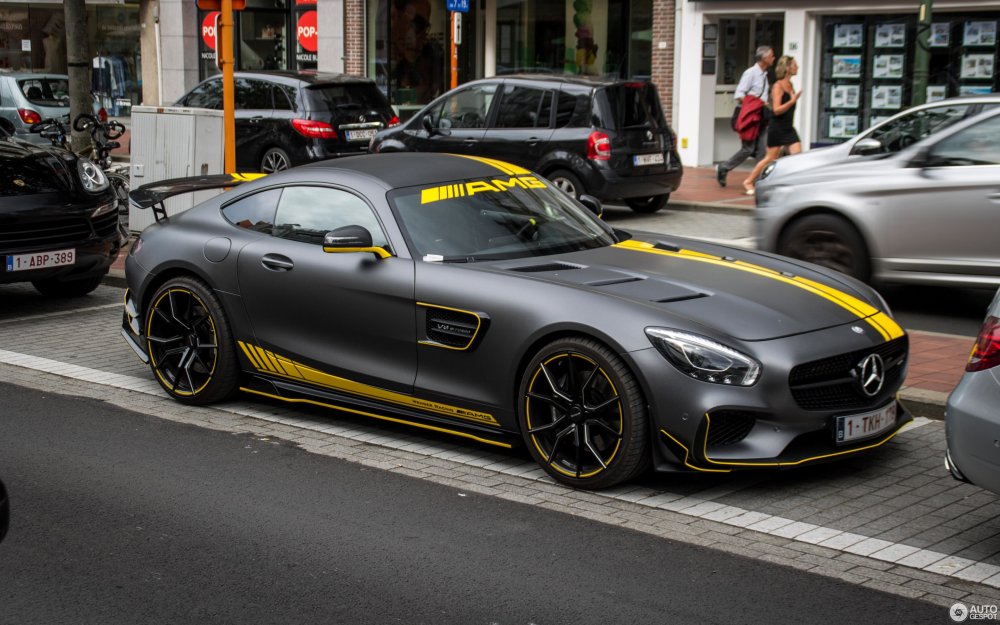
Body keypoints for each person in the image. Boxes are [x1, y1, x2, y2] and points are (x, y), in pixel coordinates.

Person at [716, 46, 775, 188]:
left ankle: (759, 179)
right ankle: (724, 167)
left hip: (761, 116)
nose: (774, 58)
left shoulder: (764, 74)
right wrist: (756, 104)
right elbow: (739, 95)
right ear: (764, 58)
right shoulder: (750, 73)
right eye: (772, 56)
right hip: (750, 116)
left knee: (761, 150)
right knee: (748, 149)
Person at [743, 55, 803, 194]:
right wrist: (792, 101)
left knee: (798, 157)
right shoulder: (778, 86)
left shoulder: (791, 85)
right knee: (770, 158)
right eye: (794, 65)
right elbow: (776, 110)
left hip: (789, 127)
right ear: (787, 68)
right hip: (777, 127)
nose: (797, 67)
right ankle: (748, 181)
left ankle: (792, 184)